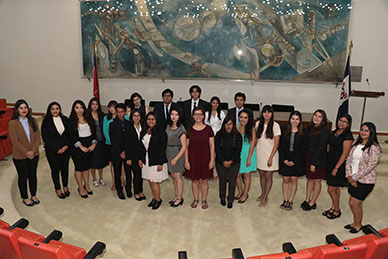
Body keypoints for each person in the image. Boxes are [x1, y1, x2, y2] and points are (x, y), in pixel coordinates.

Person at [345, 122, 381, 233]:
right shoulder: (356, 143)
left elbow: (369, 167)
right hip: (351, 178)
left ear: (371, 133)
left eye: (366, 130)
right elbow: (349, 160)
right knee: (357, 204)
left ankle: (358, 225)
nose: (363, 132)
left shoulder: (374, 148)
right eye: (362, 129)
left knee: (353, 203)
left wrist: (354, 178)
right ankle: (355, 223)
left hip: (365, 181)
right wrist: (348, 175)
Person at [9, 99, 41, 206]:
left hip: (34, 154)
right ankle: (25, 197)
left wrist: (33, 151)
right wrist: (26, 152)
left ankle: (33, 194)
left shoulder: (33, 121)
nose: (24, 110)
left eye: (25, 107)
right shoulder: (13, 123)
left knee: (33, 175)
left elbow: (37, 138)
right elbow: (15, 142)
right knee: (23, 176)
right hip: (20, 156)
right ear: (17, 110)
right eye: (21, 108)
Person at [322, 114, 353, 219]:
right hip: (330, 162)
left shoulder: (348, 136)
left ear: (348, 124)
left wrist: (336, 168)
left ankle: (337, 210)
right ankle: (334, 207)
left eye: (344, 122)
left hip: (339, 164)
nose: (341, 123)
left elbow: (345, 153)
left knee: (331, 189)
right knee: (335, 189)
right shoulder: (335, 132)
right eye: (340, 120)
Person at [185, 107, 215, 209]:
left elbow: (212, 146)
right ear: (193, 116)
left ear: (203, 116)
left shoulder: (208, 129)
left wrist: (212, 160)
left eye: (200, 114)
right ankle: (196, 199)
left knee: (204, 180)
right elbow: (186, 147)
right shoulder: (188, 129)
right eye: (196, 114)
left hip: (205, 158)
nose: (198, 116)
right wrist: (186, 161)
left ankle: (204, 200)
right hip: (193, 158)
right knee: (195, 180)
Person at [138, 112, 168, 210]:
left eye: (153, 119)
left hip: (156, 160)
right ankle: (154, 198)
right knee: (150, 181)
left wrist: (160, 163)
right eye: (149, 119)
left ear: (156, 120)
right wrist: (140, 159)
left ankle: (158, 199)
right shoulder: (144, 130)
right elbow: (141, 147)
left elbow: (163, 148)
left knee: (154, 181)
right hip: (146, 159)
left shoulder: (161, 132)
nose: (150, 121)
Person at [301, 109, 329, 211]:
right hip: (309, 156)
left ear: (323, 119)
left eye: (320, 116)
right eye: (315, 115)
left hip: (318, 159)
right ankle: (307, 198)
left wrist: (314, 163)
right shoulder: (310, 128)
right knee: (309, 179)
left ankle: (313, 202)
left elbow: (321, 147)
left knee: (317, 180)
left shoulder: (324, 130)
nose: (316, 118)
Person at [41, 102, 70, 199]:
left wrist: (66, 146)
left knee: (65, 169)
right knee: (55, 170)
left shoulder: (65, 119)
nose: (55, 110)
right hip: (52, 151)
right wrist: (56, 149)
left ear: (60, 109)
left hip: (65, 149)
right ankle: (58, 188)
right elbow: (46, 138)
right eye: (53, 109)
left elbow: (69, 134)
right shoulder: (46, 121)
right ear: (50, 110)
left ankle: (65, 186)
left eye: (57, 108)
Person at [278, 111, 307, 211]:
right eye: (293, 118)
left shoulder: (304, 132)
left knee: (294, 179)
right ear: (289, 119)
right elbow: (280, 146)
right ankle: (285, 200)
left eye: (297, 119)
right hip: (285, 158)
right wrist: (284, 159)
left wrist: (294, 160)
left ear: (300, 121)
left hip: (297, 160)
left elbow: (304, 148)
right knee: (285, 179)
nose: (294, 121)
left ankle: (290, 201)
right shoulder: (283, 129)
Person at [68, 100, 97, 199]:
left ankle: (87, 185)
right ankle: (80, 187)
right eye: (77, 107)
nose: (79, 110)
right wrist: (81, 147)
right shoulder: (71, 120)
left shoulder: (89, 118)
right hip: (77, 147)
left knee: (86, 167)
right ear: (74, 109)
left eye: (81, 107)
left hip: (89, 145)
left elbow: (94, 133)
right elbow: (71, 136)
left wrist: (93, 144)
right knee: (79, 167)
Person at [255, 105, 281, 207]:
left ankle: (265, 197)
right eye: (264, 112)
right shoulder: (258, 124)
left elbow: (277, 143)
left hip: (271, 154)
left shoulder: (275, 125)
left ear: (272, 114)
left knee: (268, 175)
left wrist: (270, 158)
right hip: (260, 153)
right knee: (261, 174)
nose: (266, 114)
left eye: (269, 112)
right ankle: (263, 193)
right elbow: (256, 140)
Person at [215, 116, 242, 208]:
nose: (228, 126)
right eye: (226, 124)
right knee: (222, 181)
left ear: (233, 125)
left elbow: (238, 150)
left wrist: (230, 161)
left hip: (234, 162)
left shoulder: (238, 135)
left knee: (232, 182)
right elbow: (217, 149)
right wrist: (223, 161)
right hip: (220, 162)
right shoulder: (219, 134)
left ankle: (230, 199)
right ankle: (222, 198)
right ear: (224, 124)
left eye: (230, 124)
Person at [109, 103, 132, 200]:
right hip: (116, 152)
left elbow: (131, 139)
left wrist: (126, 151)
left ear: (125, 112)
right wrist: (120, 152)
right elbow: (113, 140)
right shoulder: (112, 124)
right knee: (117, 172)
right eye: (118, 112)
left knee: (128, 172)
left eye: (122, 112)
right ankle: (119, 189)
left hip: (128, 152)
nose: (120, 114)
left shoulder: (129, 123)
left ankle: (128, 189)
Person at [166, 107, 187, 207]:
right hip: (168, 152)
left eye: (176, 114)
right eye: (172, 114)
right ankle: (176, 195)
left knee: (178, 177)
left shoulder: (181, 128)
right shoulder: (168, 126)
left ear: (180, 116)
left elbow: (184, 147)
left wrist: (175, 158)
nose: (174, 116)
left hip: (177, 154)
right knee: (173, 176)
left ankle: (180, 198)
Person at [235, 109, 257, 203]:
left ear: (249, 119)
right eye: (241, 117)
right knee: (236, 174)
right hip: (237, 154)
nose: (243, 119)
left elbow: (253, 144)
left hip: (248, 154)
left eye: (245, 118)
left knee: (246, 175)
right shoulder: (236, 127)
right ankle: (240, 191)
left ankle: (245, 194)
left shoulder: (251, 129)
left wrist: (249, 158)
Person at [87, 97, 107, 187]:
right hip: (91, 142)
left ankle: (101, 178)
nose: (94, 106)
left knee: (101, 160)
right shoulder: (87, 116)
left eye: (96, 104)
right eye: (93, 104)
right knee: (92, 161)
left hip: (101, 141)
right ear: (90, 105)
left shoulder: (102, 115)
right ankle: (94, 178)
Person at [126, 109, 146, 201]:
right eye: (134, 115)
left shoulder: (144, 126)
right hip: (132, 155)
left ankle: (141, 190)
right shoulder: (128, 127)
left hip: (142, 154)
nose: (136, 117)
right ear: (131, 117)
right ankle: (136, 192)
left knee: (141, 174)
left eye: (138, 115)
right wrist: (128, 157)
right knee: (136, 174)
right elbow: (127, 144)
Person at [103, 100, 120, 191]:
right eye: (110, 107)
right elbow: (105, 131)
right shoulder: (106, 118)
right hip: (110, 144)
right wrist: (112, 141)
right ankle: (114, 182)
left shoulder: (122, 116)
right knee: (113, 165)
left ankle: (122, 180)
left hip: (121, 145)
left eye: (114, 107)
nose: (112, 109)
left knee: (122, 164)